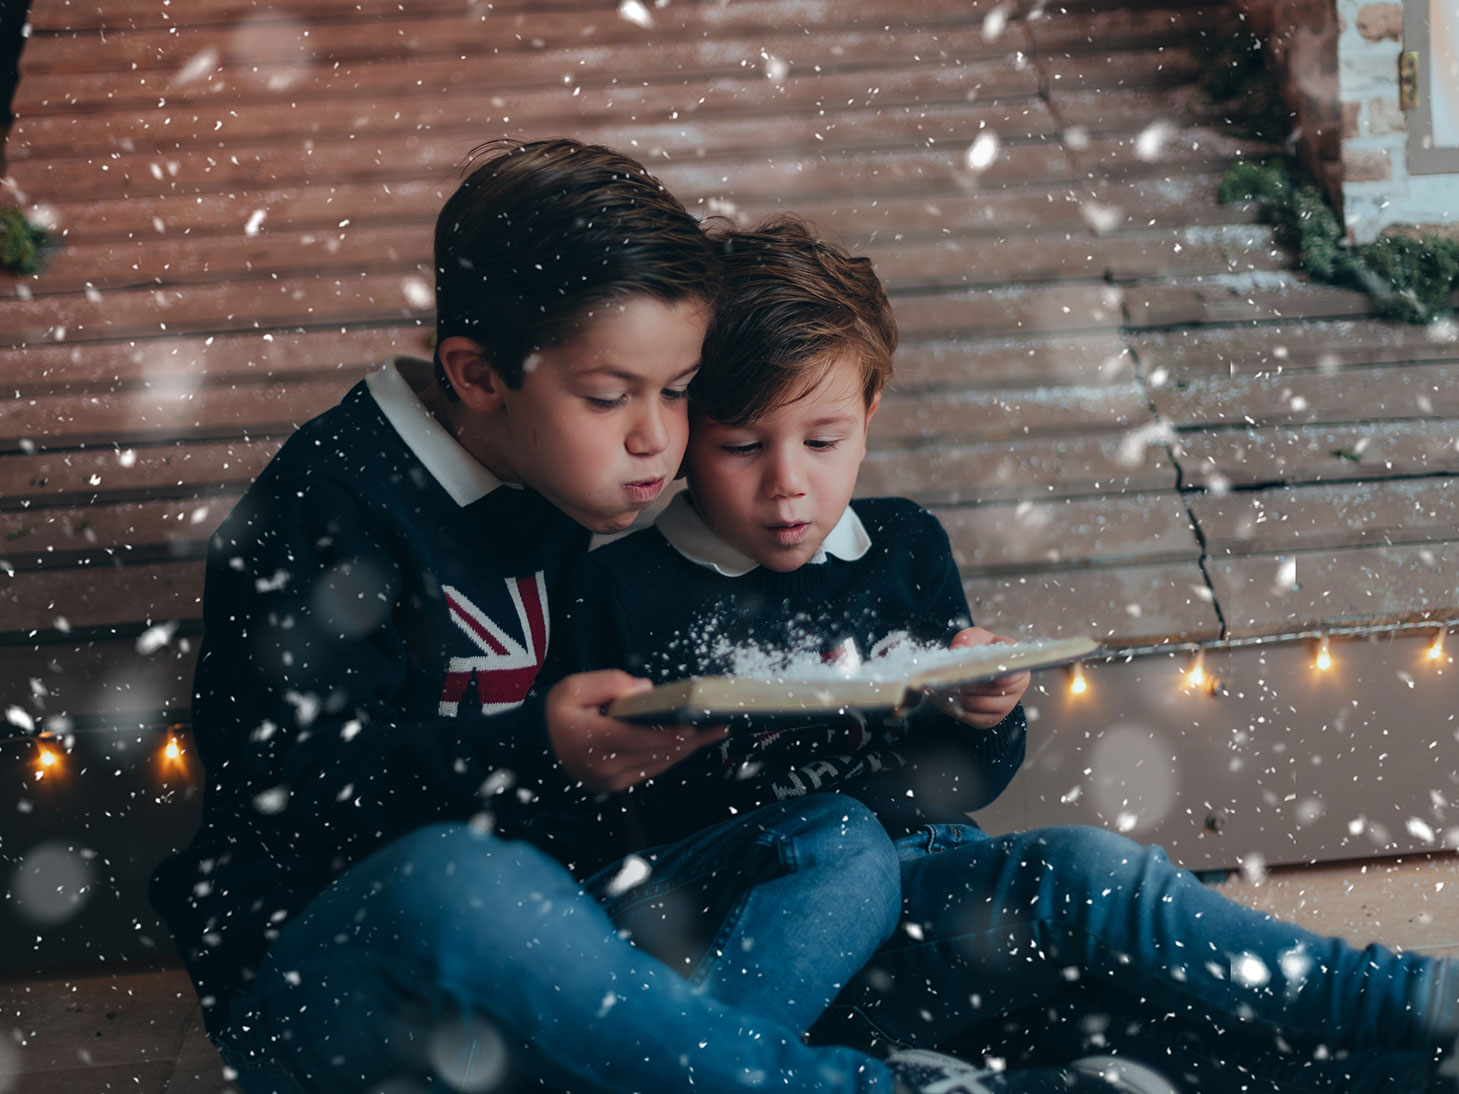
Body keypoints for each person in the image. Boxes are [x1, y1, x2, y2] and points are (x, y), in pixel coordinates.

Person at [147, 136, 1138, 1094]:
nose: (658, 442)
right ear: (479, 375)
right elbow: (280, 796)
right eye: (613, 395)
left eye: (676, 393)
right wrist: (539, 750)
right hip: (337, 982)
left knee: (840, 840)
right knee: (456, 880)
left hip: (571, 948)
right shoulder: (325, 509)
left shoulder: (568, 477)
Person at [545, 215, 1459, 1093]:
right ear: (683, 429)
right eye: (741, 447)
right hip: (765, 945)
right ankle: (1408, 994)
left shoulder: (899, 549)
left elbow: (968, 780)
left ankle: (1410, 1062)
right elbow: (608, 843)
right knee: (1060, 873)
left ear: (868, 410)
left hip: (936, 902)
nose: (788, 484)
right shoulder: (620, 588)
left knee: (1144, 1012)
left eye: (823, 442)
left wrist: (980, 712)